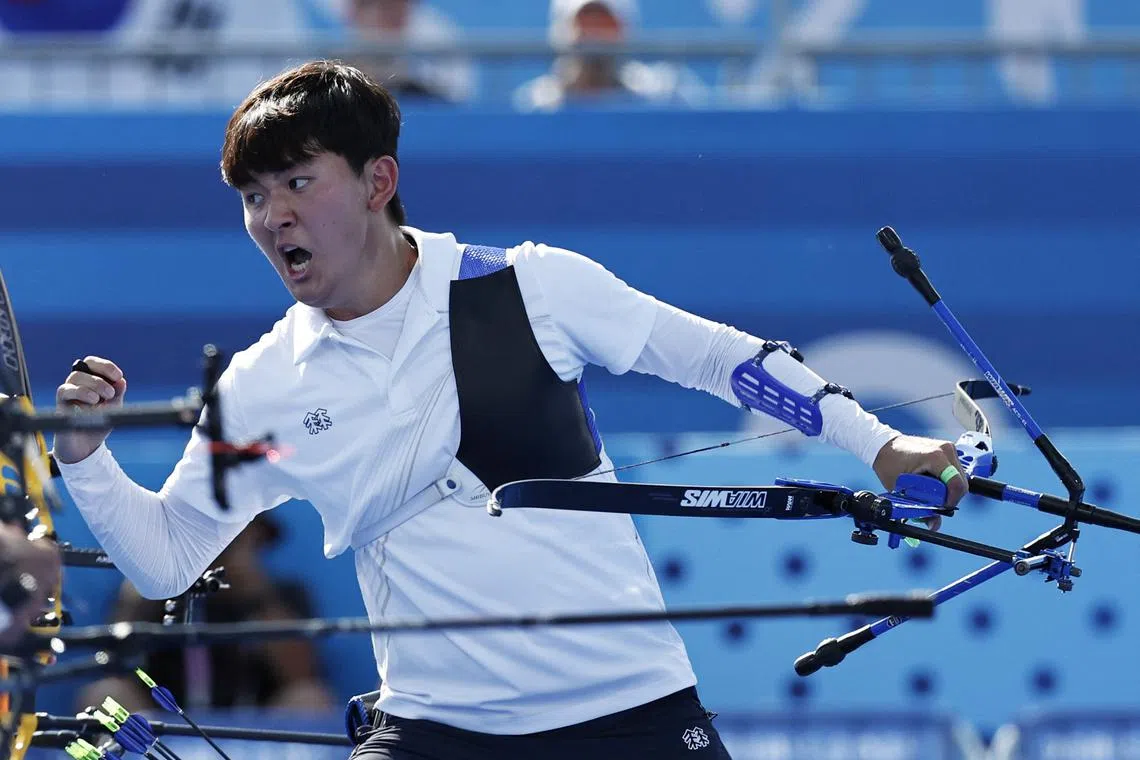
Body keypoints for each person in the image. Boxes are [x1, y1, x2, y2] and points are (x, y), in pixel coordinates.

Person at [53, 60, 966, 759]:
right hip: (435, 730)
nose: (272, 217)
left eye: (298, 183)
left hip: (629, 712)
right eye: (253, 198)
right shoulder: (262, 385)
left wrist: (880, 445)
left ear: (378, 182)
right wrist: (88, 458)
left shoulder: (532, 286)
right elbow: (166, 560)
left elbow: (724, 361)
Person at [73, 513, 335, 714]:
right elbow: (114, 665)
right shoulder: (150, 590)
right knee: (105, 697)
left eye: (237, 538)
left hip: (256, 725)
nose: (222, 551)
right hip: (160, 725)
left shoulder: (280, 594)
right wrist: (145, 588)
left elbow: (301, 676)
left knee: (310, 699)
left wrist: (258, 598)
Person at [514, 0, 708, 112]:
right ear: (560, 32)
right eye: (584, 24)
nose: (594, 36)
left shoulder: (666, 96)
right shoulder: (536, 104)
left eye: (605, 24)